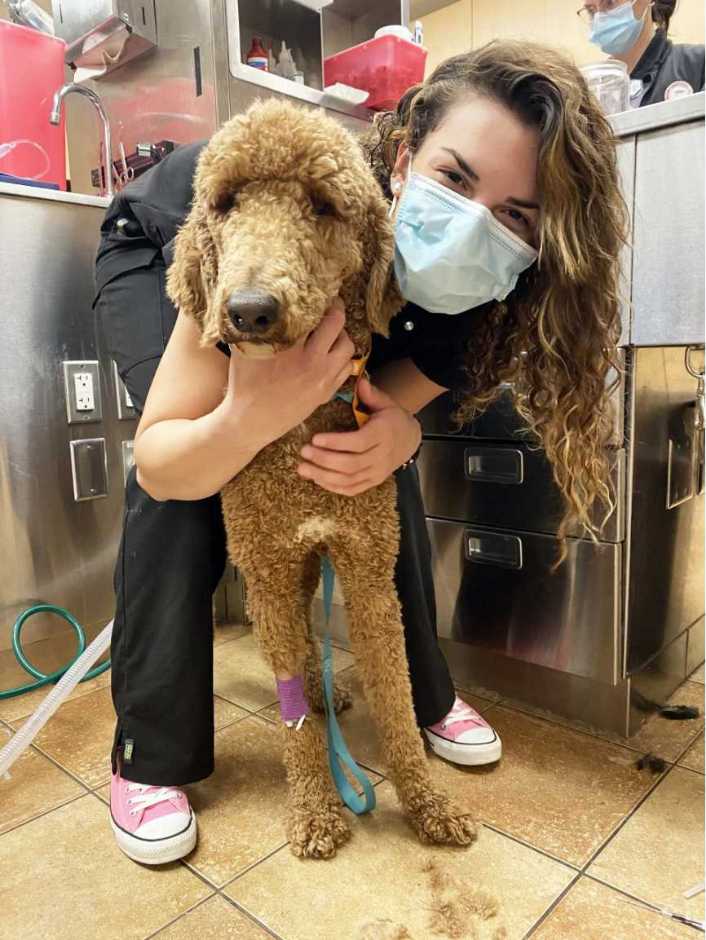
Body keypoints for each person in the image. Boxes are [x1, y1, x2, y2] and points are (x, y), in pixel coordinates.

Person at [95, 39, 627, 865]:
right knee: (200, 475)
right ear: (405, 151)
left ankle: (419, 693)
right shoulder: (237, 240)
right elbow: (163, 461)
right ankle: (149, 750)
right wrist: (247, 416)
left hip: (332, 262)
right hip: (178, 240)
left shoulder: (483, 292)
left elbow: (393, 415)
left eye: (517, 213)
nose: (477, 222)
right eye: (453, 178)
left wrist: (401, 431)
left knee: (367, 461)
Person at [580, 0, 705, 106]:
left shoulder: (698, 64)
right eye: (591, 11)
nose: (600, 19)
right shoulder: (588, 93)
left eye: (610, 2)